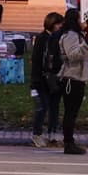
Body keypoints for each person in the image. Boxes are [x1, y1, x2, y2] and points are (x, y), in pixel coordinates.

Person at [57, 8, 88, 155]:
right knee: (70, 112)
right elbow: (72, 55)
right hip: (71, 79)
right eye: (80, 19)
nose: (83, 22)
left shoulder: (76, 35)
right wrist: (86, 45)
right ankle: (68, 143)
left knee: (72, 112)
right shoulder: (70, 35)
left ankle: (70, 142)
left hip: (77, 78)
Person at [30, 12, 64, 148]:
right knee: (42, 107)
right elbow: (37, 60)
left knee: (54, 107)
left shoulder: (58, 38)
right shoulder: (42, 38)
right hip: (42, 79)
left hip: (55, 78)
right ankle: (37, 134)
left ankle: (52, 133)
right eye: (58, 24)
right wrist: (35, 80)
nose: (60, 27)